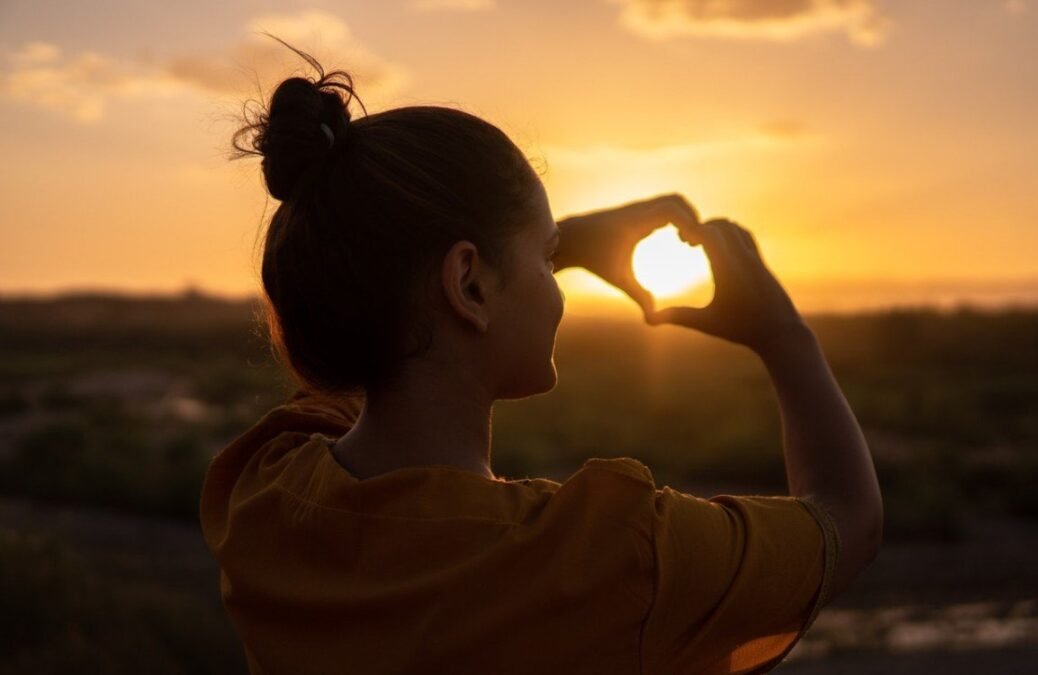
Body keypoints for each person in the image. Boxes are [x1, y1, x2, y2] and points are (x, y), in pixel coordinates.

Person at [200, 36, 883, 675]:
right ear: (468, 282)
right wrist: (785, 335)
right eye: (547, 257)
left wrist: (534, 249)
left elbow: (382, 340)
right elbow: (845, 517)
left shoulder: (264, 493)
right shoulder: (609, 556)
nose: (557, 286)